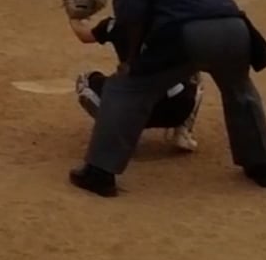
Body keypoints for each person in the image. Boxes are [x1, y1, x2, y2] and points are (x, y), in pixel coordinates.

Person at [71, 0, 266, 198]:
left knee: (125, 90)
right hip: (236, 30)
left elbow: (130, 16)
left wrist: (132, 59)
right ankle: (263, 167)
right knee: (240, 91)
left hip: (186, 35)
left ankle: (99, 173)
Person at [68, 12, 202, 154]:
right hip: (174, 109)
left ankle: (115, 130)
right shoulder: (174, 24)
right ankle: (183, 132)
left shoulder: (114, 25)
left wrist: (74, 16)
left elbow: (84, 35)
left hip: (131, 110)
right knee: (193, 74)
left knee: (85, 81)